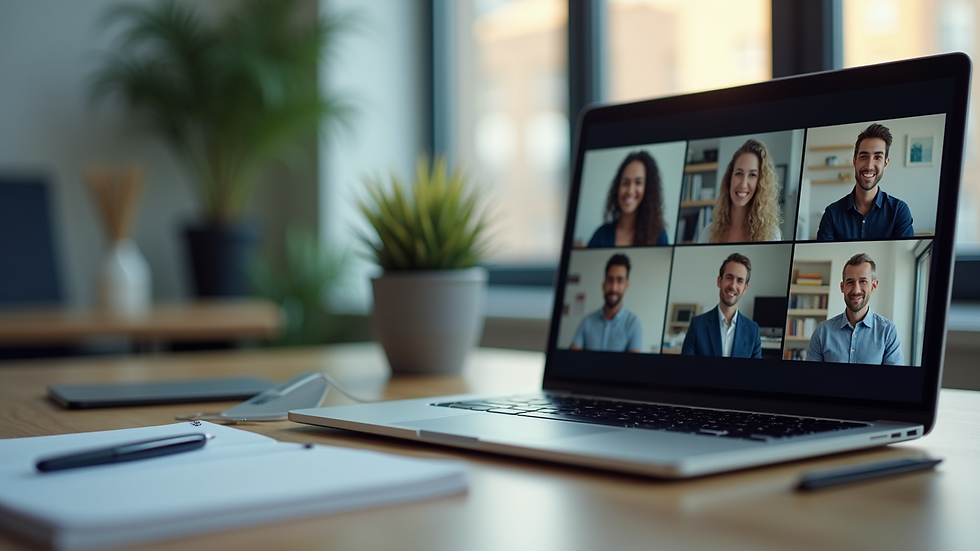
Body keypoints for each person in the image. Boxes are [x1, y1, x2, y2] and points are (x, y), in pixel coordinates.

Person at [817, 123, 914, 241]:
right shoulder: (831, 214)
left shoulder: (899, 211)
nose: (869, 166)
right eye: (864, 157)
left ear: (886, 163)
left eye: (877, 157)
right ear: (854, 161)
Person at [808, 253, 904, 364]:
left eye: (863, 281)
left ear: (873, 286)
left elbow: (894, 380)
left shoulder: (888, 332)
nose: (856, 290)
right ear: (842, 287)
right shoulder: (822, 332)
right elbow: (812, 379)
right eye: (850, 282)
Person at [698, 139, 782, 243]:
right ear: (730, 178)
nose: (743, 184)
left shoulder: (771, 235)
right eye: (739, 173)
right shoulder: (708, 233)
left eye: (752, 175)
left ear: (760, 183)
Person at [681, 252, 762, 358]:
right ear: (719, 281)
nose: (733, 286)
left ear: (745, 289)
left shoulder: (753, 330)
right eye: (729, 277)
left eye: (740, 281)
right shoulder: (697, 325)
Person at [588, 151, 669, 247]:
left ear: (648, 188)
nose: (630, 191)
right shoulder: (600, 235)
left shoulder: (659, 236)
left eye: (638, 182)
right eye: (625, 183)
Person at [570, 254, 643, 353]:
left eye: (620, 281)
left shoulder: (633, 324)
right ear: (604, 284)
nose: (613, 288)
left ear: (627, 285)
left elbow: (635, 366)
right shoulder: (587, 322)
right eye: (610, 280)